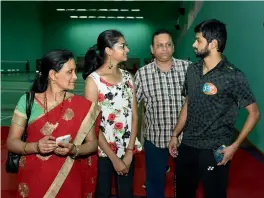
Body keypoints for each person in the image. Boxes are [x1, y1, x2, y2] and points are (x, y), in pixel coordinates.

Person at [169, 19, 260, 198]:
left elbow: (254, 113)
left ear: (214, 44)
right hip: (187, 146)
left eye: (199, 40)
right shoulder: (192, 71)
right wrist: (175, 134)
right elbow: (188, 103)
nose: (194, 44)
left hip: (215, 150)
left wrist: (234, 146)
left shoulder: (233, 76)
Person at [7, 49, 101, 198]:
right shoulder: (27, 101)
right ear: (53, 75)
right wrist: (36, 146)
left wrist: (74, 149)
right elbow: (12, 142)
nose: (75, 77)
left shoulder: (82, 106)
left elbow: (93, 144)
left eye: (75, 71)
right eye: (70, 72)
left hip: (69, 179)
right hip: (33, 181)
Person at [83, 29, 142, 198]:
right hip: (103, 153)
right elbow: (92, 124)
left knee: (126, 193)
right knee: (102, 193)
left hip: (127, 150)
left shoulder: (128, 77)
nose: (127, 49)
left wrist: (130, 151)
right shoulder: (93, 82)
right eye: (122, 46)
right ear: (108, 51)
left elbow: (135, 116)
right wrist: (113, 158)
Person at [134, 29, 191, 198]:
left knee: (186, 182)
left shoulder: (187, 69)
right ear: (152, 49)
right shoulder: (142, 74)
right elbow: (131, 108)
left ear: (173, 47)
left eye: (168, 45)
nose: (164, 49)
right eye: (159, 45)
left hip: (185, 138)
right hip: (155, 138)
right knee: (154, 182)